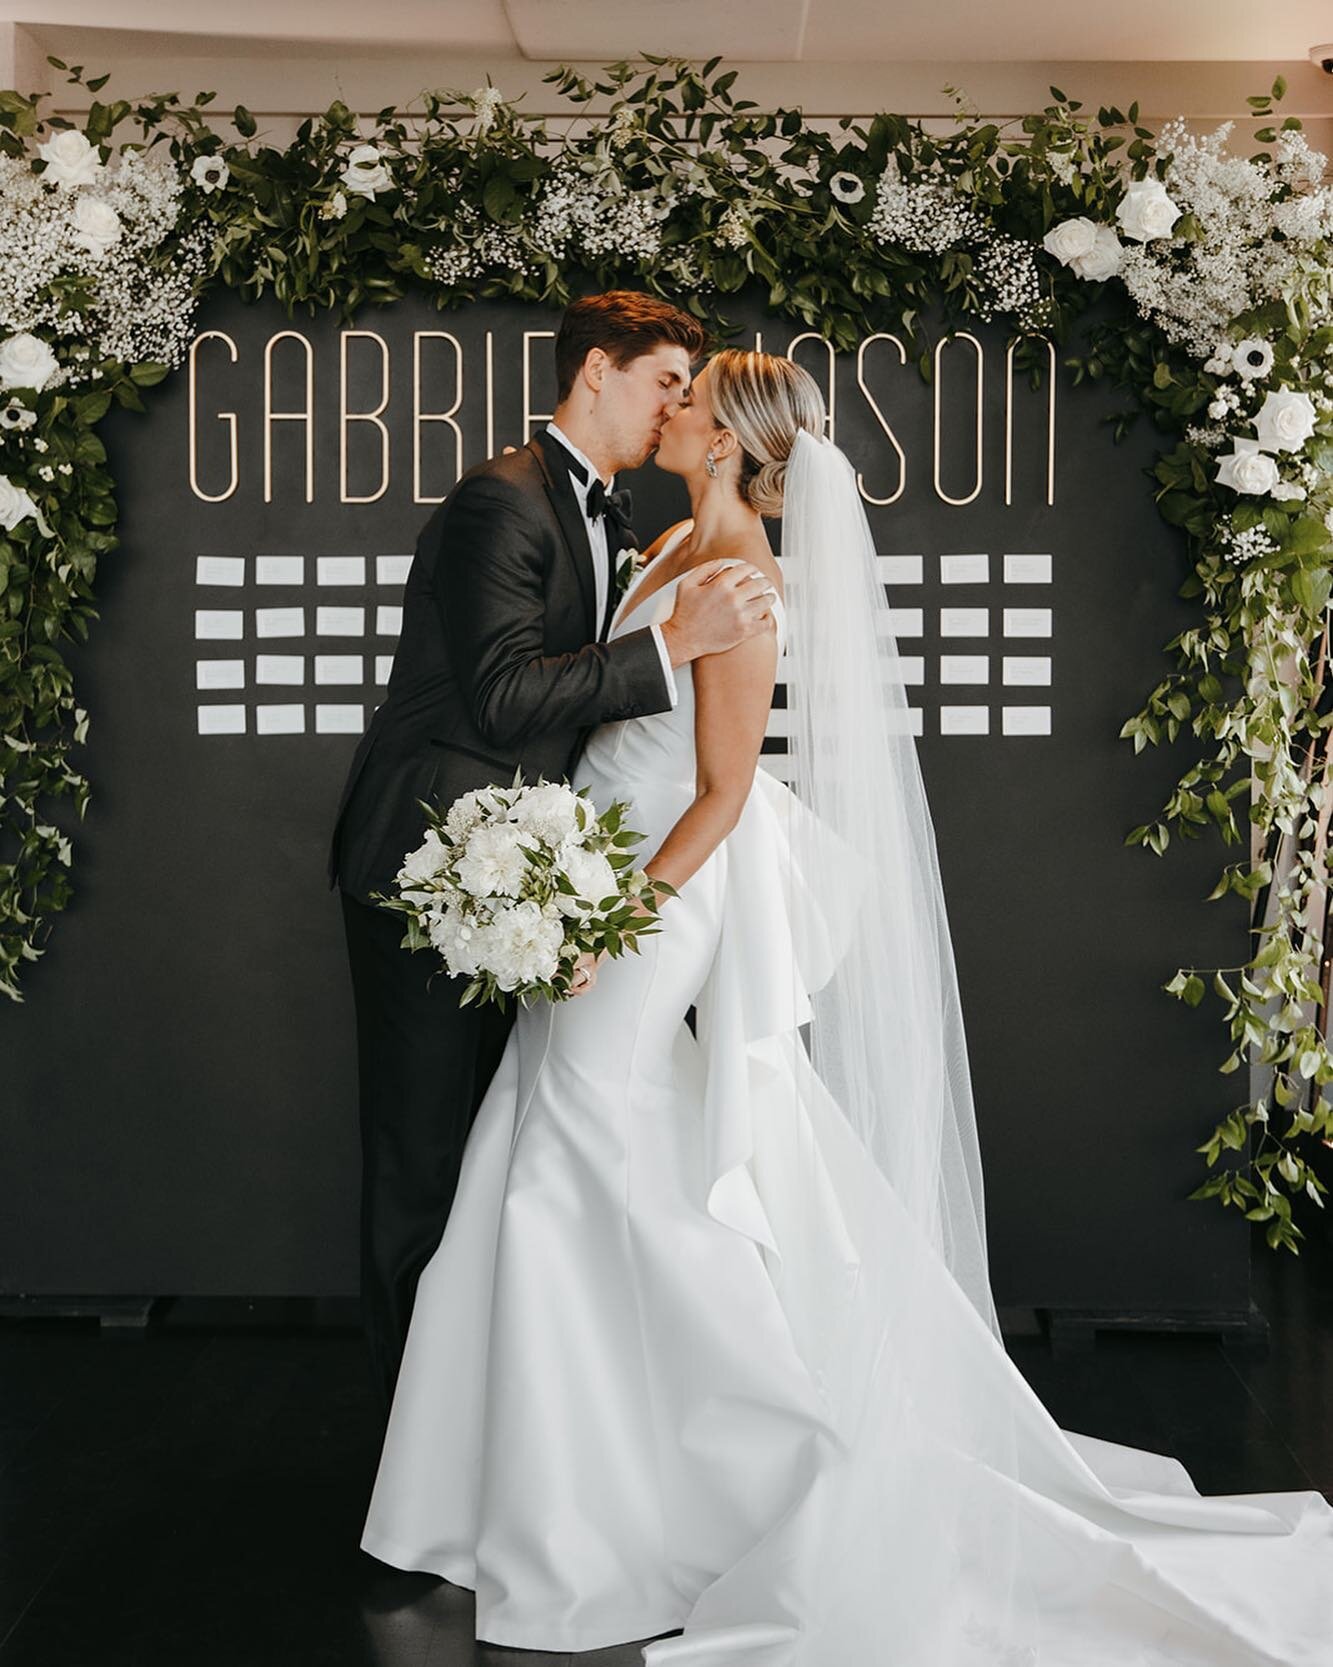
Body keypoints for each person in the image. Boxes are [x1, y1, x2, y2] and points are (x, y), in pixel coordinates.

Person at [360, 349, 1333, 1664]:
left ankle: (715, 1463)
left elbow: (716, 791)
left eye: (689, 397)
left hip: (653, 898)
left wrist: (607, 916)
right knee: (544, 1146)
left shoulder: (746, 579)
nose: (671, 406)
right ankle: (528, 1491)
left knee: (578, 1154)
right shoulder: (671, 547)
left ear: (722, 441)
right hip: (593, 884)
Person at [328, 293, 779, 1414]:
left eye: (690, 389)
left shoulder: (635, 519)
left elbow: (682, 755)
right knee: (430, 1161)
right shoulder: (503, 498)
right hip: (431, 863)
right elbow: (499, 693)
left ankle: (521, 1420)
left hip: (535, 885)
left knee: (512, 1156)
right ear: (595, 371)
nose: (676, 400)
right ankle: (410, 1439)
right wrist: (671, 641)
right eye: (663, 378)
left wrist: (597, 894)